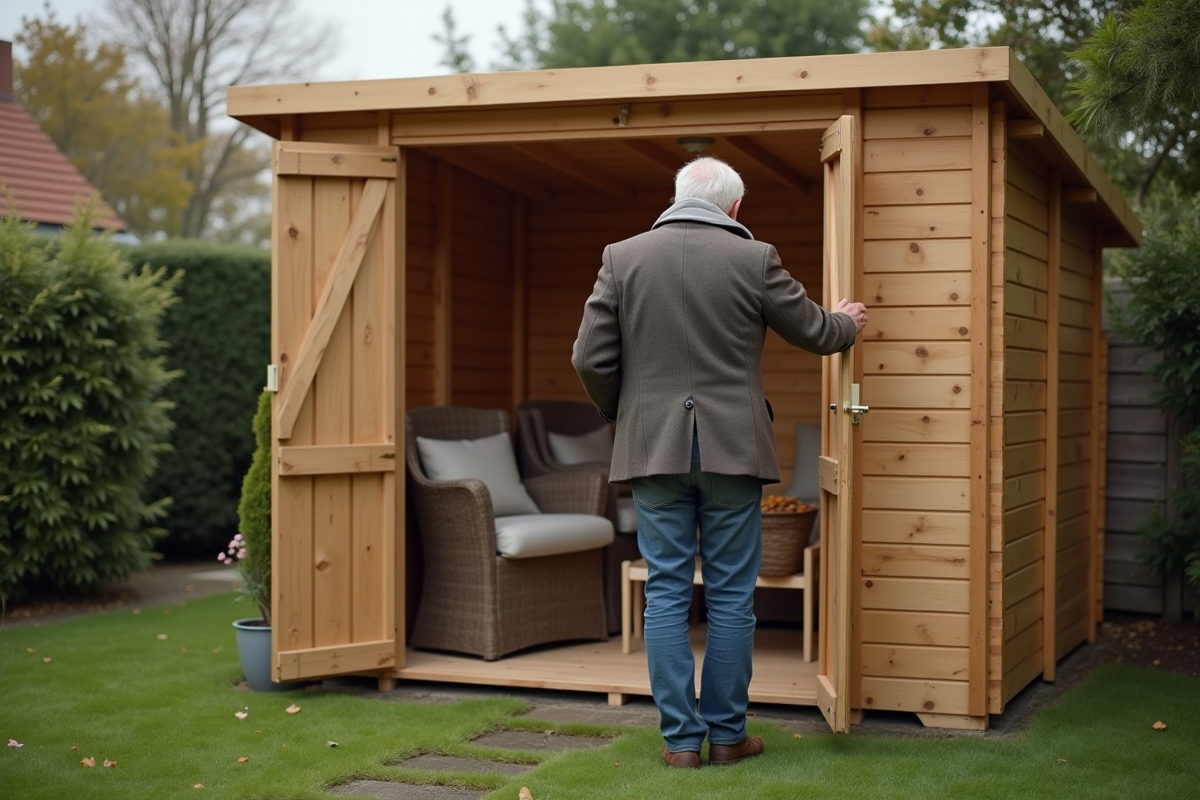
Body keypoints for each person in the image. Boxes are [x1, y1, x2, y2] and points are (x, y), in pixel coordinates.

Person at [571, 156, 867, 769]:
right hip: (734, 450)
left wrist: (622, 413)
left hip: (653, 450)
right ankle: (728, 737)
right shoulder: (754, 257)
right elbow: (816, 332)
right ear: (734, 208)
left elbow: (588, 359)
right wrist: (847, 322)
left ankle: (681, 744)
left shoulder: (620, 258)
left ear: (677, 197)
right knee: (732, 597)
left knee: (666, 594)